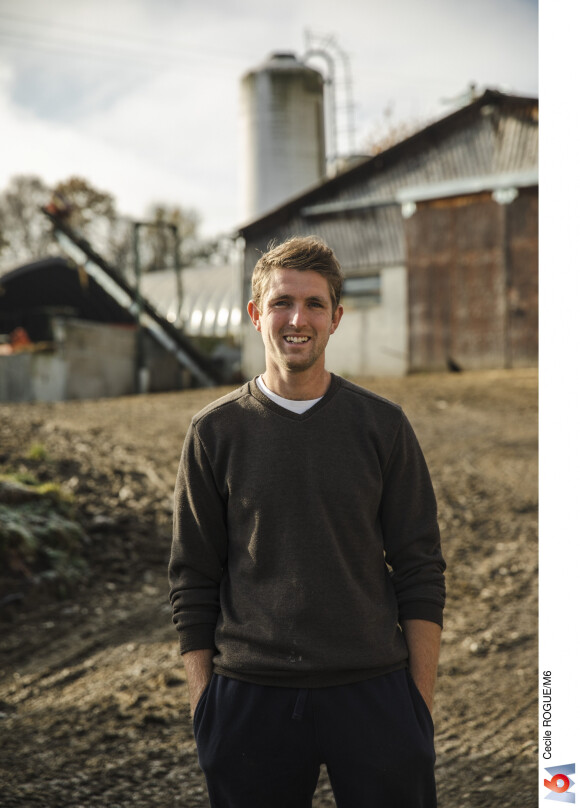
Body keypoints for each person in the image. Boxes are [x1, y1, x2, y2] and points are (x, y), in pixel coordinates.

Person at [169, 235, 446, 807]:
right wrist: (206, 710)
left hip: (374, 691)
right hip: (251, 697)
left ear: (336, 317)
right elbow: (192, 577)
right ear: (255, 314)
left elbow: (420, 568)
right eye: (281, 303)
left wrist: (417, 705)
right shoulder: (214, 433)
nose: (298, 319)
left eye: (315, 304)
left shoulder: (383, 426)